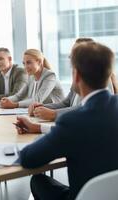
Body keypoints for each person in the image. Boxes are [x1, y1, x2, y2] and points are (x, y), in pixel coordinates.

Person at [16, 41, 118, 200]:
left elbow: (28, 159)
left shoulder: (73, 121)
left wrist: (41, 135)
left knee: (38, 181)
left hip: (83, 196)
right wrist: (41, 128)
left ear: (76, 75)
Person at [0, 49, 64, 108]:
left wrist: (15, 105)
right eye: (24, 63)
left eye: (28, 62)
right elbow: (19, 96)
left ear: (39, 62)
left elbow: (38, 100)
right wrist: (6, 100)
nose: (25, 67)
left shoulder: (50, 76)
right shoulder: (31, 77)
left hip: (55, 113)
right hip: (40, 112)